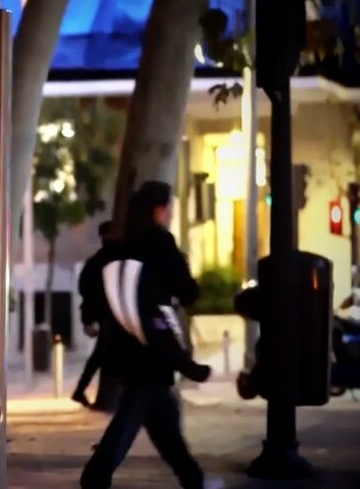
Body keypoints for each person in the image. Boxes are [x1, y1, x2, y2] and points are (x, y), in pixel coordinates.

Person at [80, 181, 223, 489]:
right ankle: (96, 475)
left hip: (121, 345)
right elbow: (188, 291)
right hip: (152, 346)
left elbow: (89, 282)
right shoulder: (160, 242)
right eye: (168, 208)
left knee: (162, 419)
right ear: (160, 209)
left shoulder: (116, 247)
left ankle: (192, 478)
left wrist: (92, 316)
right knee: (135, 411)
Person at [72, 221, 114, 408]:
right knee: (99, 355)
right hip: (108, 316)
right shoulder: (104, 261)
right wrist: (88, 319)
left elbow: (85, 291)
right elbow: (87, 292)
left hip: (105, 316)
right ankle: (80, 391)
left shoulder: (97, 261)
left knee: (99, 355)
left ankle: (80, 390)